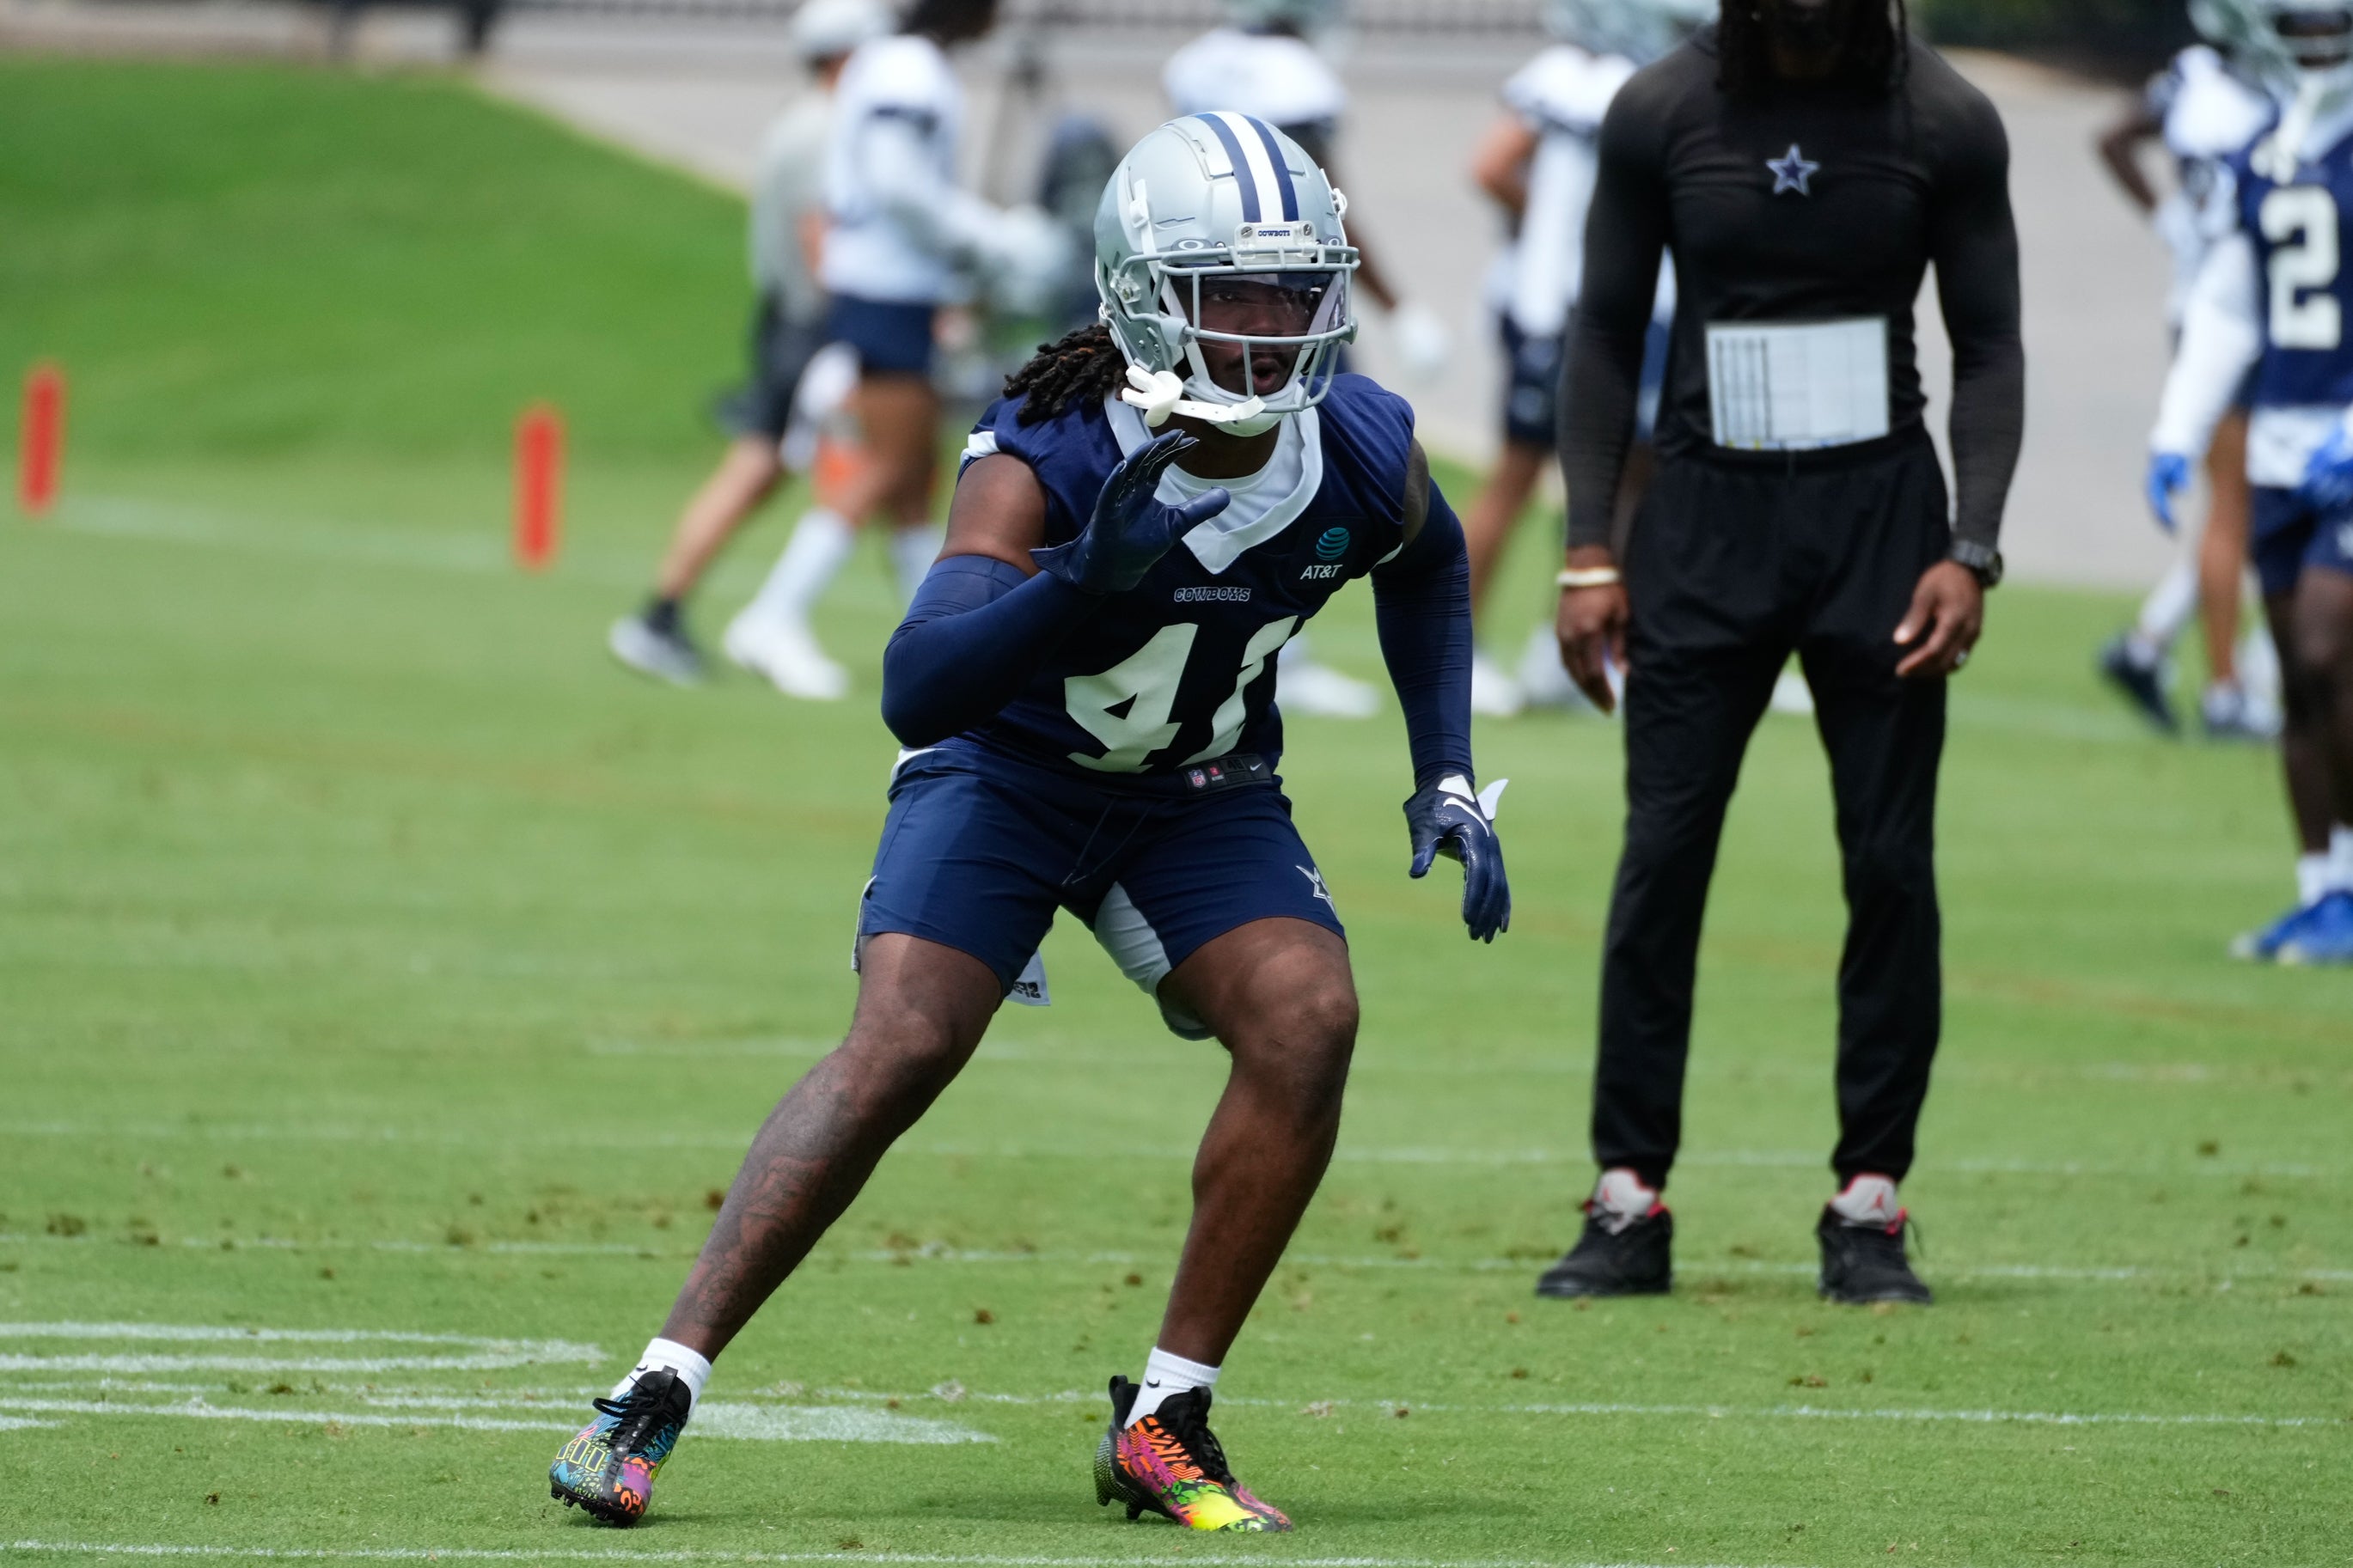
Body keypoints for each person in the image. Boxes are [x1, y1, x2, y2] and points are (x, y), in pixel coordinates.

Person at [545, 114, 1510, 1534]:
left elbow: (1425, 568)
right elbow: (916, 688)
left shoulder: (1355, 443)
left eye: (1289, 291)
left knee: (1308, 1018)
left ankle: (1166, 1419)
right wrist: (1077, 587)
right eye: (1225, 294)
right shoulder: (1051, 442)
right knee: (905, 1045)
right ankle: (654, 1387)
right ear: (1138, 296)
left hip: (1198, 796)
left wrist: (1442, 769)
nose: (1264, 327)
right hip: (1005, 776)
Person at [1536, 0, 2023, 1304]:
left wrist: (1967, 547)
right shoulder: (1659, 111)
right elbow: (1599, 331)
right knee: (1661, 859)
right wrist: (1590, 547)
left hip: (1881, 527)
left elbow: (1987, 347)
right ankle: (1626, 1201)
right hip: (1702, 524)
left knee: (1887, 866)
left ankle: (1868, 1204)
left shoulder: (1946, 120)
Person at [721, 0, 1066, 701]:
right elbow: (898, 184)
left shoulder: (897, 62)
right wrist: (991, 239)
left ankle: (943, 634)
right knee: (890, 462)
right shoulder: (907, 68)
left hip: (889, 286)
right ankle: (773, 615)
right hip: (885, 292)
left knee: (914, 485)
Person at [1162, 0, 1448, 719]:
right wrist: (1395, 305)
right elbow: (1320, 203)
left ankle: (1213, 635)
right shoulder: (1292, 73)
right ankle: (1275, 648)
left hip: (1190, 297)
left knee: (1194, 458)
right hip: (1272, 297)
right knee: (1295, 453)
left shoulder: (1198, 59)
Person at [2149, 0, 2353, 963]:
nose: (2311, 31)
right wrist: (2173, 433)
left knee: (2323, 649)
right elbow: (2229, 306)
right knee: (2299, 691)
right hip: (2276, 439)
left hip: (2344, 445)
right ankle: (2321, 887)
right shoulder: (2267, 147)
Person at [606, 0, 889, 686]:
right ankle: (740, 619)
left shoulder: (810, 124)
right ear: (845, 55)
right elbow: (822, 244)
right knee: (849, 468)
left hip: (791, 322)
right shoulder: (825, 132)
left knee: (767, 470)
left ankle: (665, 614)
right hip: (817, 326)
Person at [1460, 0, 1700, 717]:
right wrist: (1565, 238)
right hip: (1569, 308)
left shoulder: (1628, 79)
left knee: (1629, 475)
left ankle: (1570, 649)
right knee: (1523, 472)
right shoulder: (1578, 77)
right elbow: (1494, 165)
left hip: (1625, 307)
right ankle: (1458, 651)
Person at [2095, 4, 2284, 739]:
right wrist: (2170, 218)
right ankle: (2229, 688)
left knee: (2253, 502)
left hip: (2229, 306)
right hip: (2233, 314)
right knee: (2237, 505)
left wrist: (2170, 218)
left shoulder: (2190, 79)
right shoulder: (2263, 96)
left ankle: (2149, 645)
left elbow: (2114, 137)